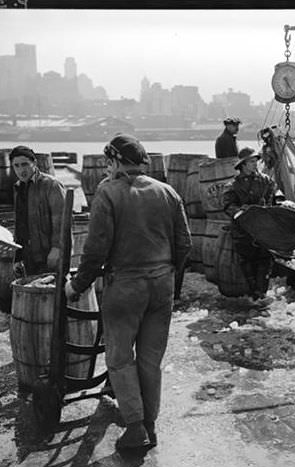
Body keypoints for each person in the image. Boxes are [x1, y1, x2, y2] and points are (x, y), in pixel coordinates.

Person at [65, 133, 191, 450]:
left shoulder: (109, 193)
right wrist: (172, 285)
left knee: (120, 358)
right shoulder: (168, 192)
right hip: (161, 286)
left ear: (117, 161)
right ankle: (150, 424)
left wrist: (76, 286)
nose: (107, 168)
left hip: (125, 287)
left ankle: (135, 427)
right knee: (150, 359)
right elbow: (184, 244)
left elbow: (95, 251)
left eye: (109, 162)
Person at [222, 147, 277, 301]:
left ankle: (262, 294)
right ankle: (254, 294)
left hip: (262, 230)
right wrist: (241, 213)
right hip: (243, 231)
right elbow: (228, 206)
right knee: (247, 262)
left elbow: (273, 200)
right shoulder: (232, 185)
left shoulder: (266, 181)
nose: (255, 164)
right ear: (242, 165)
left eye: (255, 161)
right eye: (251, 162)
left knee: (266, 260)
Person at [10, 145, 66, 276]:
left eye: (24, 164)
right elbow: (20, 225)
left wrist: (57, 248)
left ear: (34, 163)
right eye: (16, 166)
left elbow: (62, 221)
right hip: (28, 257)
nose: (21, 170)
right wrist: (17, 258)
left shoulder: (51, 185)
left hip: (49, 255)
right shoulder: (18, 189)